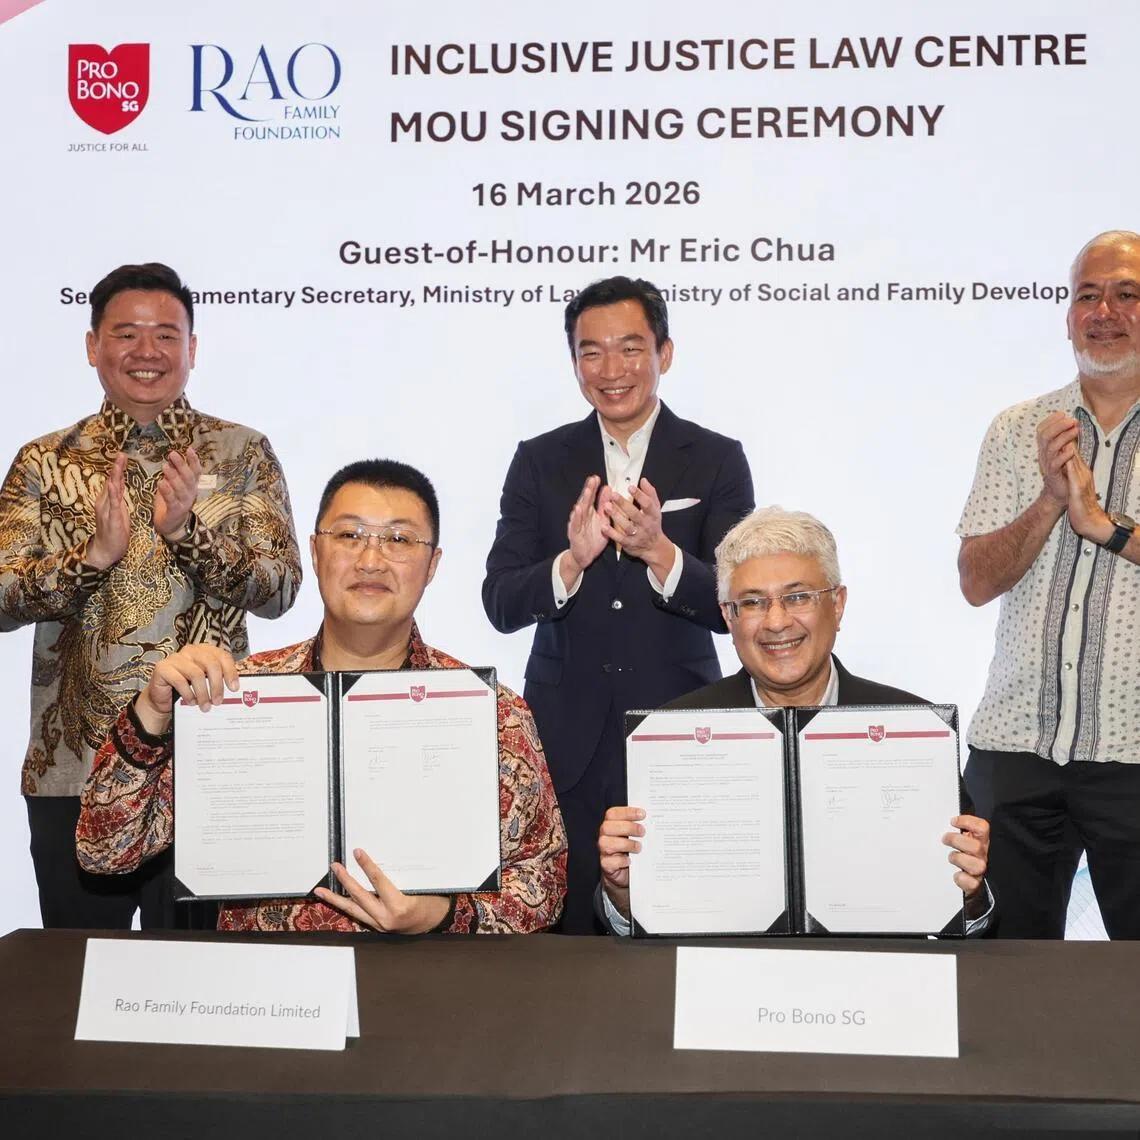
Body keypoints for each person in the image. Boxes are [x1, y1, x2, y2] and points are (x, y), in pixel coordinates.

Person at [76, 459, 566, 933]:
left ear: (432, 564)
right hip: (272, 996)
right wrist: (152, 713)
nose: (371, 560)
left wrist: (439, 915)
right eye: (349, 535)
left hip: (429, 991)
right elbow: (105, 850)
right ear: (314, 551)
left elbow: (543, 881)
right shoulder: (236, 698)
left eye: (398, 539)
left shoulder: (490, 712)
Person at [0, 262, 301, 930]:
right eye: (126, 334)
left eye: (166, 335)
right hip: (73, 768)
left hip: (212, 762)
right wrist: (91, 559)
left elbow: (280, 588)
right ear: (92, 347)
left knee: (210, 987)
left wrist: (187, 534)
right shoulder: (43, 462)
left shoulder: (241, 452)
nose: (147, 352)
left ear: (192, 348)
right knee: (76, 985)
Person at [482, 276, 754, 932]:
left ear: (664, 352)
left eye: (630, 348)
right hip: (563, 735)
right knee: (565, 930)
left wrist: (660, 551)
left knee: (682, 924)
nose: (612, 370)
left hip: (682, 727)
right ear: (574, 362)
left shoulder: (717, 460)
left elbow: (738, 604)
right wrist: (571, 561)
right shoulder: (539, 461)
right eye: (591, 352)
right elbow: (499, 601)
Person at [598, 507, 992, 935]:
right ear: (728, 617)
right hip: (722, 981)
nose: (776, 621)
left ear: (837, 605)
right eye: (752, 603)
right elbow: (631, 923)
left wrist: (968, 894)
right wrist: (622, 891)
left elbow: (969, 923)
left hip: (873, 981)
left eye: (798, 597)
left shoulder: (917, 735)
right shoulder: (667, 740)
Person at [958, 230, 1140, 939]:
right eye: (1088, 295)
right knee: (1005, 980)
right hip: (1016, 751)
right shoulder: (1019, 430)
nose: (1105, 311)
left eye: (1127, 294)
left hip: (1133, 752)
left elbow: (1101, 527)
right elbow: (975, 581)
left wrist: (1106, 527)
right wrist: (1047, 504)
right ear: (1067, 317)